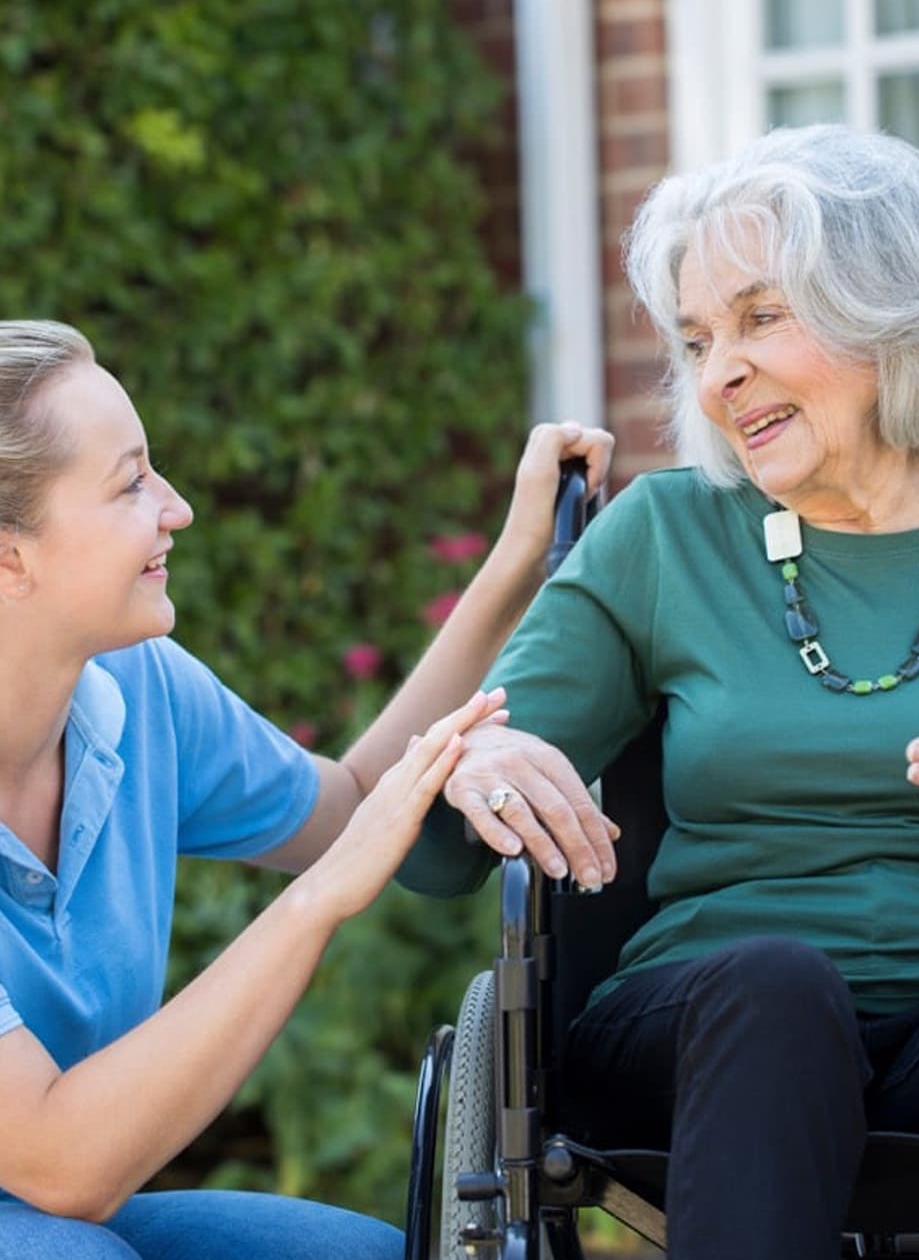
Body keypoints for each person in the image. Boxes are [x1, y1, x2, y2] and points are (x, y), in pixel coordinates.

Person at [400, 123, 919, 1259]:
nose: (718, 371)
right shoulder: (668, 536)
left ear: (890, 312)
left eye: (761, 317)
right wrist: (477, 764)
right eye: (695, 339)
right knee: (780, 989)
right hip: (709, 1021)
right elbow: (430, 855)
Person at [0, 317, 614, 1260]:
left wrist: (514, 563)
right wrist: (319, 901)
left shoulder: (137, 691)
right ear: (11, 556)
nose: (178, 507)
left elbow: (351, 800)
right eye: (130, 483)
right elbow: (58, 1162)